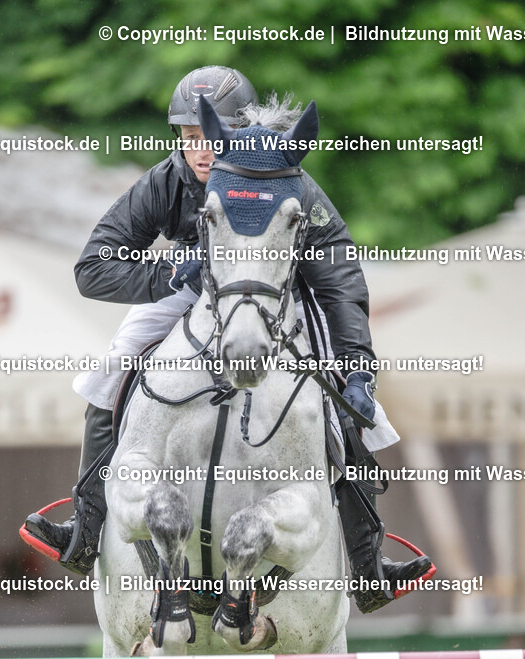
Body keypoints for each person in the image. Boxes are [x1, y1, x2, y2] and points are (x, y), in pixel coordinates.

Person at [23, 66, 431, 613]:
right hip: (191, 291)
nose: (200, 152)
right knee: (113, 368)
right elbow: (93, 268)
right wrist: (168, 272)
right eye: (190, 139)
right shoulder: (167, 181)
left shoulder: (288, 178)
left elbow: (339, 279)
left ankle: (366, 560)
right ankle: (87, 527)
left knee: (348, 403)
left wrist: (357, 366)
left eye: (209, 137)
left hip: (275, 295)